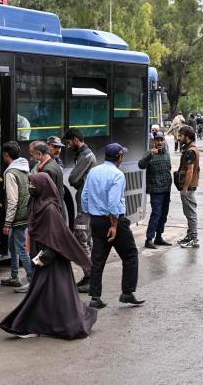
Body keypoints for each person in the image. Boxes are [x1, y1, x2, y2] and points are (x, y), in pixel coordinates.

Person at [0, 173, 98, 339]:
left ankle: (42, 325)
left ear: (42, 187)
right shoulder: (38, 204)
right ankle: (37, 325)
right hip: (43, 258)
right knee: (48, 293)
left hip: (51, 260)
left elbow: (56, 238)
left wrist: (44, 258)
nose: (30, 187)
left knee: (49, 292)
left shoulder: (50, 209)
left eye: (33, 184)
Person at [82, 143, 144, 309]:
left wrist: (92, 215)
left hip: (96, 220)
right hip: (113, 221)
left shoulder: (93, 172)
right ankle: (127, 293)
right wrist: (114, 225)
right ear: (119, 157)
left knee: (97, 259)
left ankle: (95, 297)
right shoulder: (117, 175)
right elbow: (113, 202)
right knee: (130, 254)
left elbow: (84, 197)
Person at [63, 128, 97, 293]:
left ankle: (91, 277)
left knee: (80, 238)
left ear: (76, 139)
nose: (68, 147)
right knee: (86, 240)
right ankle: (89, 277)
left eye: (69, 143)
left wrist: (76, 182)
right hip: (85, 202)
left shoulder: (86, 156)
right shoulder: (82, 155)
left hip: (85, 204)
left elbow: (73, 178)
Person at [0, 141, 33, 293]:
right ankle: (14, 277)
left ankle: (32, 279)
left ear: (6, 154)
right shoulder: (24, 168)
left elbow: (12, 201)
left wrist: (7, 223)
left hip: (18, 216)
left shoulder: (10, 173)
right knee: (13, 245)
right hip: (26, 212)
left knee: (20, 248)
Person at [138, 132, 172, 249]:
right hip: (156, 190)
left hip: (166, 189)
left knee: (164, 214)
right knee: (156, 214)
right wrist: (149, 155)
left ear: (164, 141)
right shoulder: (149, 153)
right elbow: (140, 165)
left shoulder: (167, 154)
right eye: (157, 140)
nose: (159, 142)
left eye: (161, 140)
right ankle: (149, 239)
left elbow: (169, 168)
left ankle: (159, 237)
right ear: (154, 142)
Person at [176, 125, 200, 248]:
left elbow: (190, 171)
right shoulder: (190, 148)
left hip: (188, 187)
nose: (178, 138)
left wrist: (185, 188)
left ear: (187, 136)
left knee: (190, 213)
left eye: (180, 135)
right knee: (188, 213)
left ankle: (194, 238)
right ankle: (190, 236)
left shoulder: (191, 151)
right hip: (188, 186)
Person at [29, 141, 64, 206]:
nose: (31, 159)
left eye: (32, 155)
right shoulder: (53, 165)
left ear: (39, 155)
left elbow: (44, 195)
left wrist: (31, 187)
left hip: (50, 212)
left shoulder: (47, 171)